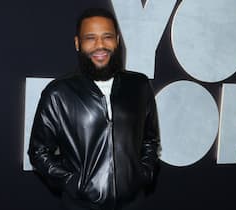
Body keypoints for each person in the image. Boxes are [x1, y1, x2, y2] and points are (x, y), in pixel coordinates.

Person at [28, 8, 160, 210]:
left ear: (117, 40)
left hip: (134, 204)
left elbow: (150, 139)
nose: (100, 45)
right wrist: (75, 184)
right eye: (90, 38)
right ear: (77, 43)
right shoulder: (58, 93)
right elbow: (39, 152)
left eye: (107, 37)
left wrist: (143, 173)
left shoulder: (139, 85)